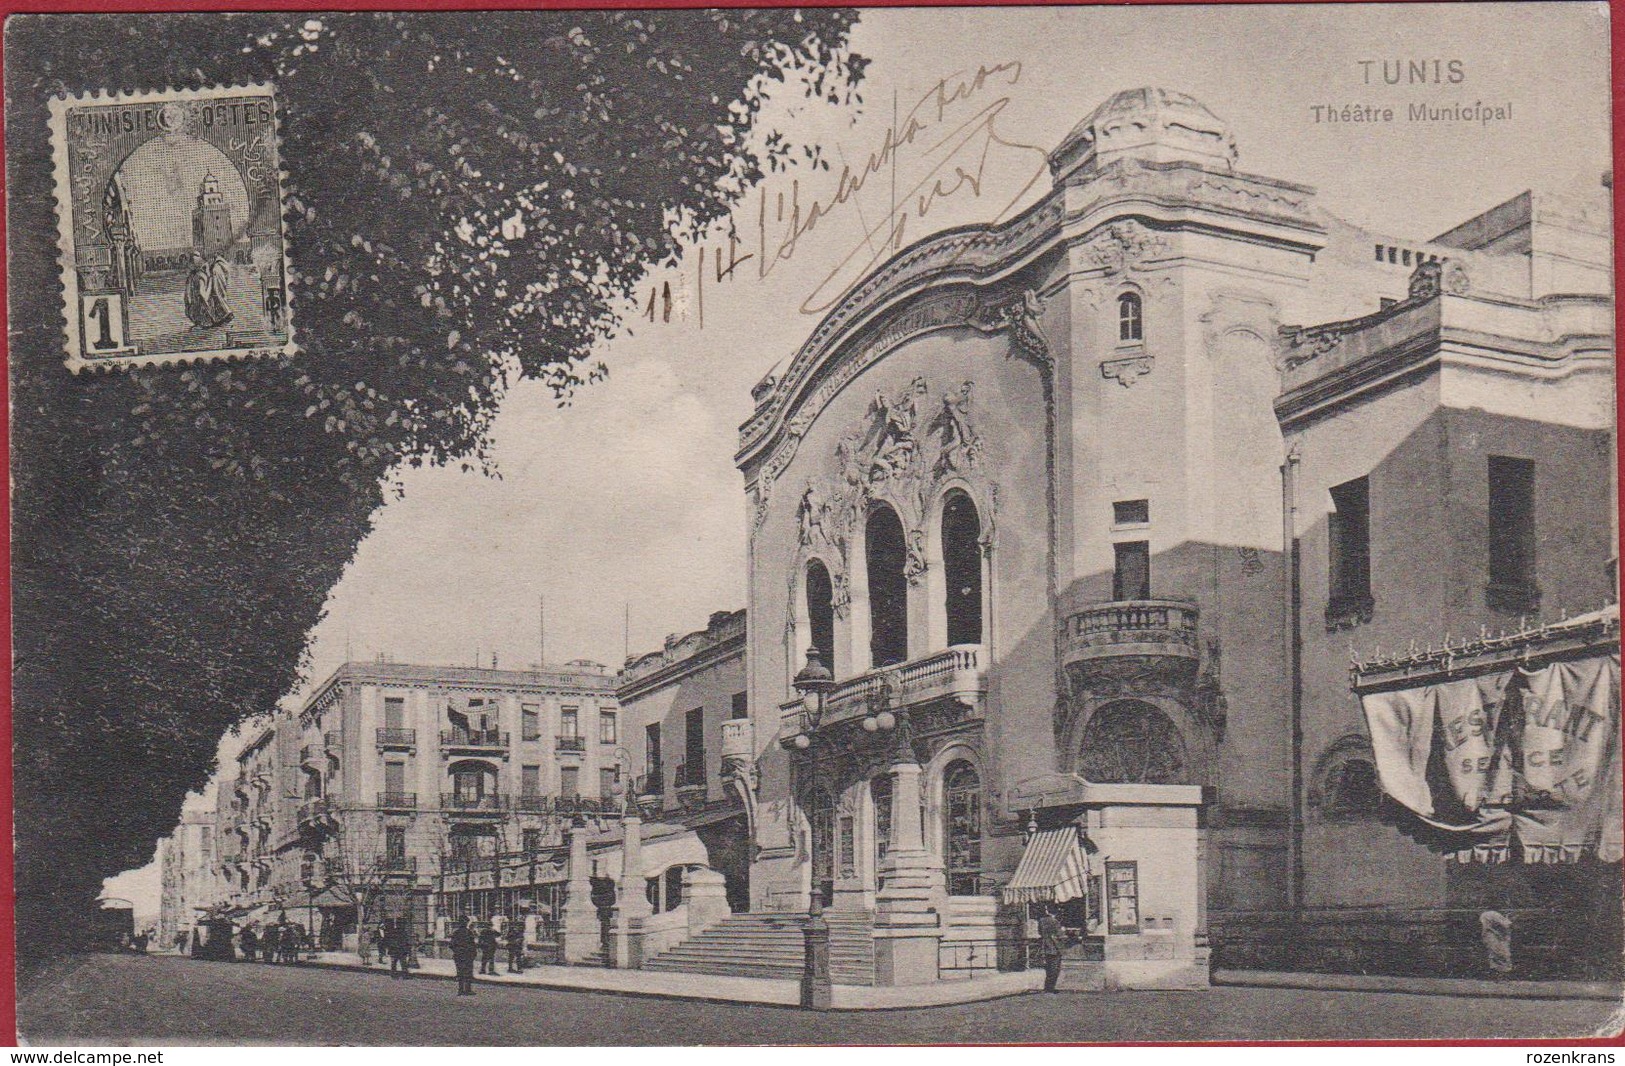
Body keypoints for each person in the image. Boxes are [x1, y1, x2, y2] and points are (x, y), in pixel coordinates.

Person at [1037, 905, 1066, 993]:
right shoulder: (1055, 922)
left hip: (1045, 946)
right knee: (1055, 969)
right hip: (1054, 947)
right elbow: (1060, 935)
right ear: (1056, 913)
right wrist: (1064, 931)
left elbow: (1040, 932)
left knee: (1048, 968)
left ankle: (1047, 987)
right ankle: (1050, 988)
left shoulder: (1041, 921)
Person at [449, 917, 478, 996]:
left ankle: (461, 990)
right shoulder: (469, 932)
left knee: (460, 972)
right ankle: (467, 989)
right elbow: (472, 945)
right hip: (467, 955)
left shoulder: (456, 933)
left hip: (458, 955)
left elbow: (451, 945)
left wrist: (457, 951)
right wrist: (473, 953)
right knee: (468, 972)